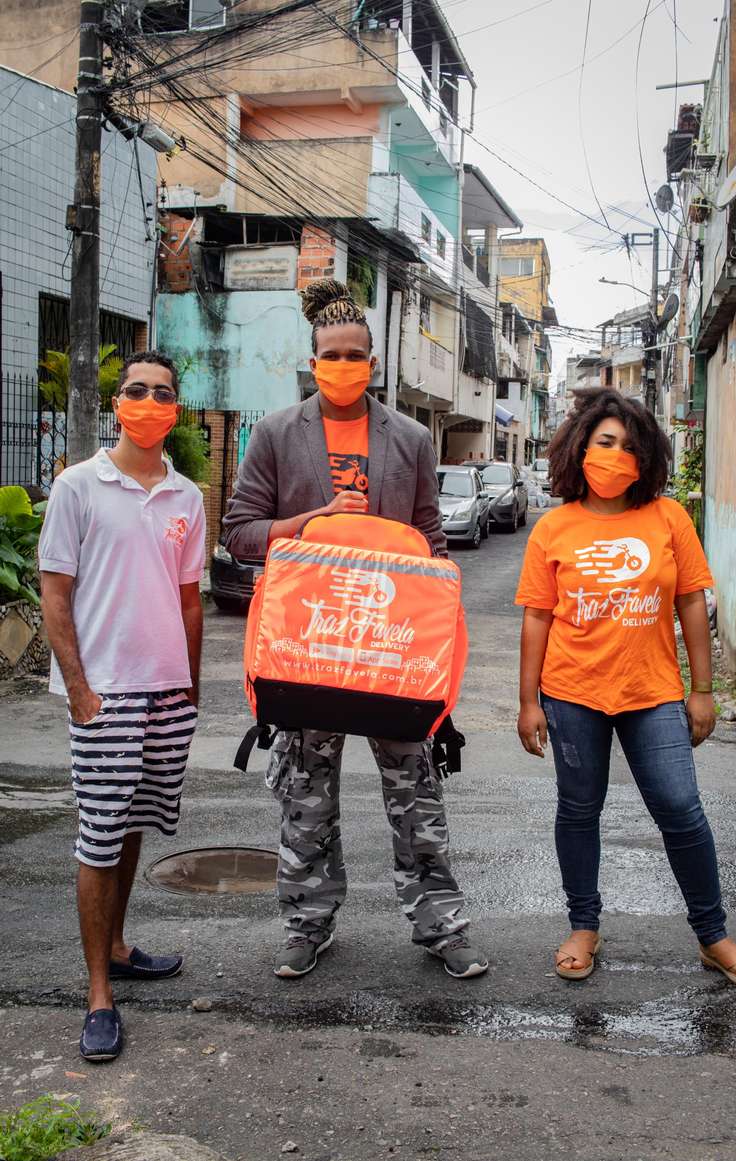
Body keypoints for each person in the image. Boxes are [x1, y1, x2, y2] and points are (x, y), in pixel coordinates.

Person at [223, 278, 487, 981]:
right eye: (330, 353)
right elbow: (241, 533)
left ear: (374, 359)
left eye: (356, 354)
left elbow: (432, 539)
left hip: (391, 651)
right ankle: (306, 924)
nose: (343, 363)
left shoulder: (407, 438)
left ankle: (441, 926)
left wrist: (435, 635)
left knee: (417, 792)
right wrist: (308, 522)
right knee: (305, 798)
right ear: (312, 359)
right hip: (307, 650)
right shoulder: (279, 433)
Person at [515, 388, 736, 991]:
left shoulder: (667, 518)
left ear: (646, 455)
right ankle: (584, 926)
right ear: (581, 447)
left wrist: (701, 689)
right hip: (572, 692)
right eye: (605, 442)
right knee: (579, 811)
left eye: (629, 446)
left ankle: (714, 938)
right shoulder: (553, 528)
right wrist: (529, 702)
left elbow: (689, 601)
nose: (615, 455)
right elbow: (536, 617)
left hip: (653, 691)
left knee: (681, 809)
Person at [39, 351, 206, 1062]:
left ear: (175, 407)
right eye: (136, 390)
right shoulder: (78, 486)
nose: (148, 401)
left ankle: (119, 945)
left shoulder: (186, 497)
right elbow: (54, 594)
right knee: (98, 837)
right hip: (103, 692)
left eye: (161, 392)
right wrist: (80, 690)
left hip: (166, 692)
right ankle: (99, 993)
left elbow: (190, 599)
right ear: (117, 403)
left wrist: (191, 688)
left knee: (135, 823)